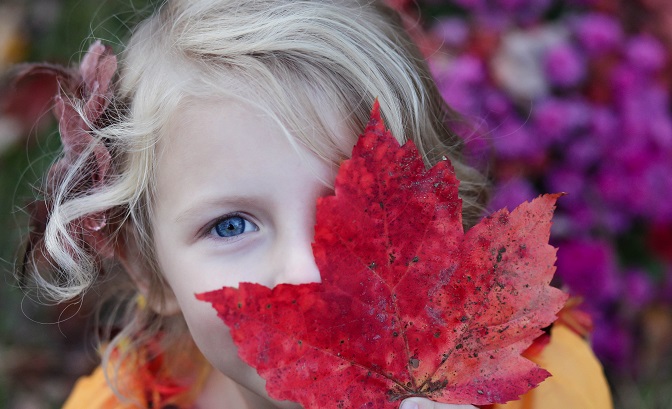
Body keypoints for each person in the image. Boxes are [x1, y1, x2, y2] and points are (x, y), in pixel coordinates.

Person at [17, 0, 612, 408]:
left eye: (352, 207)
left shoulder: (541, 386)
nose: (307, 271)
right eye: (231, 225)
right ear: (150, 269)